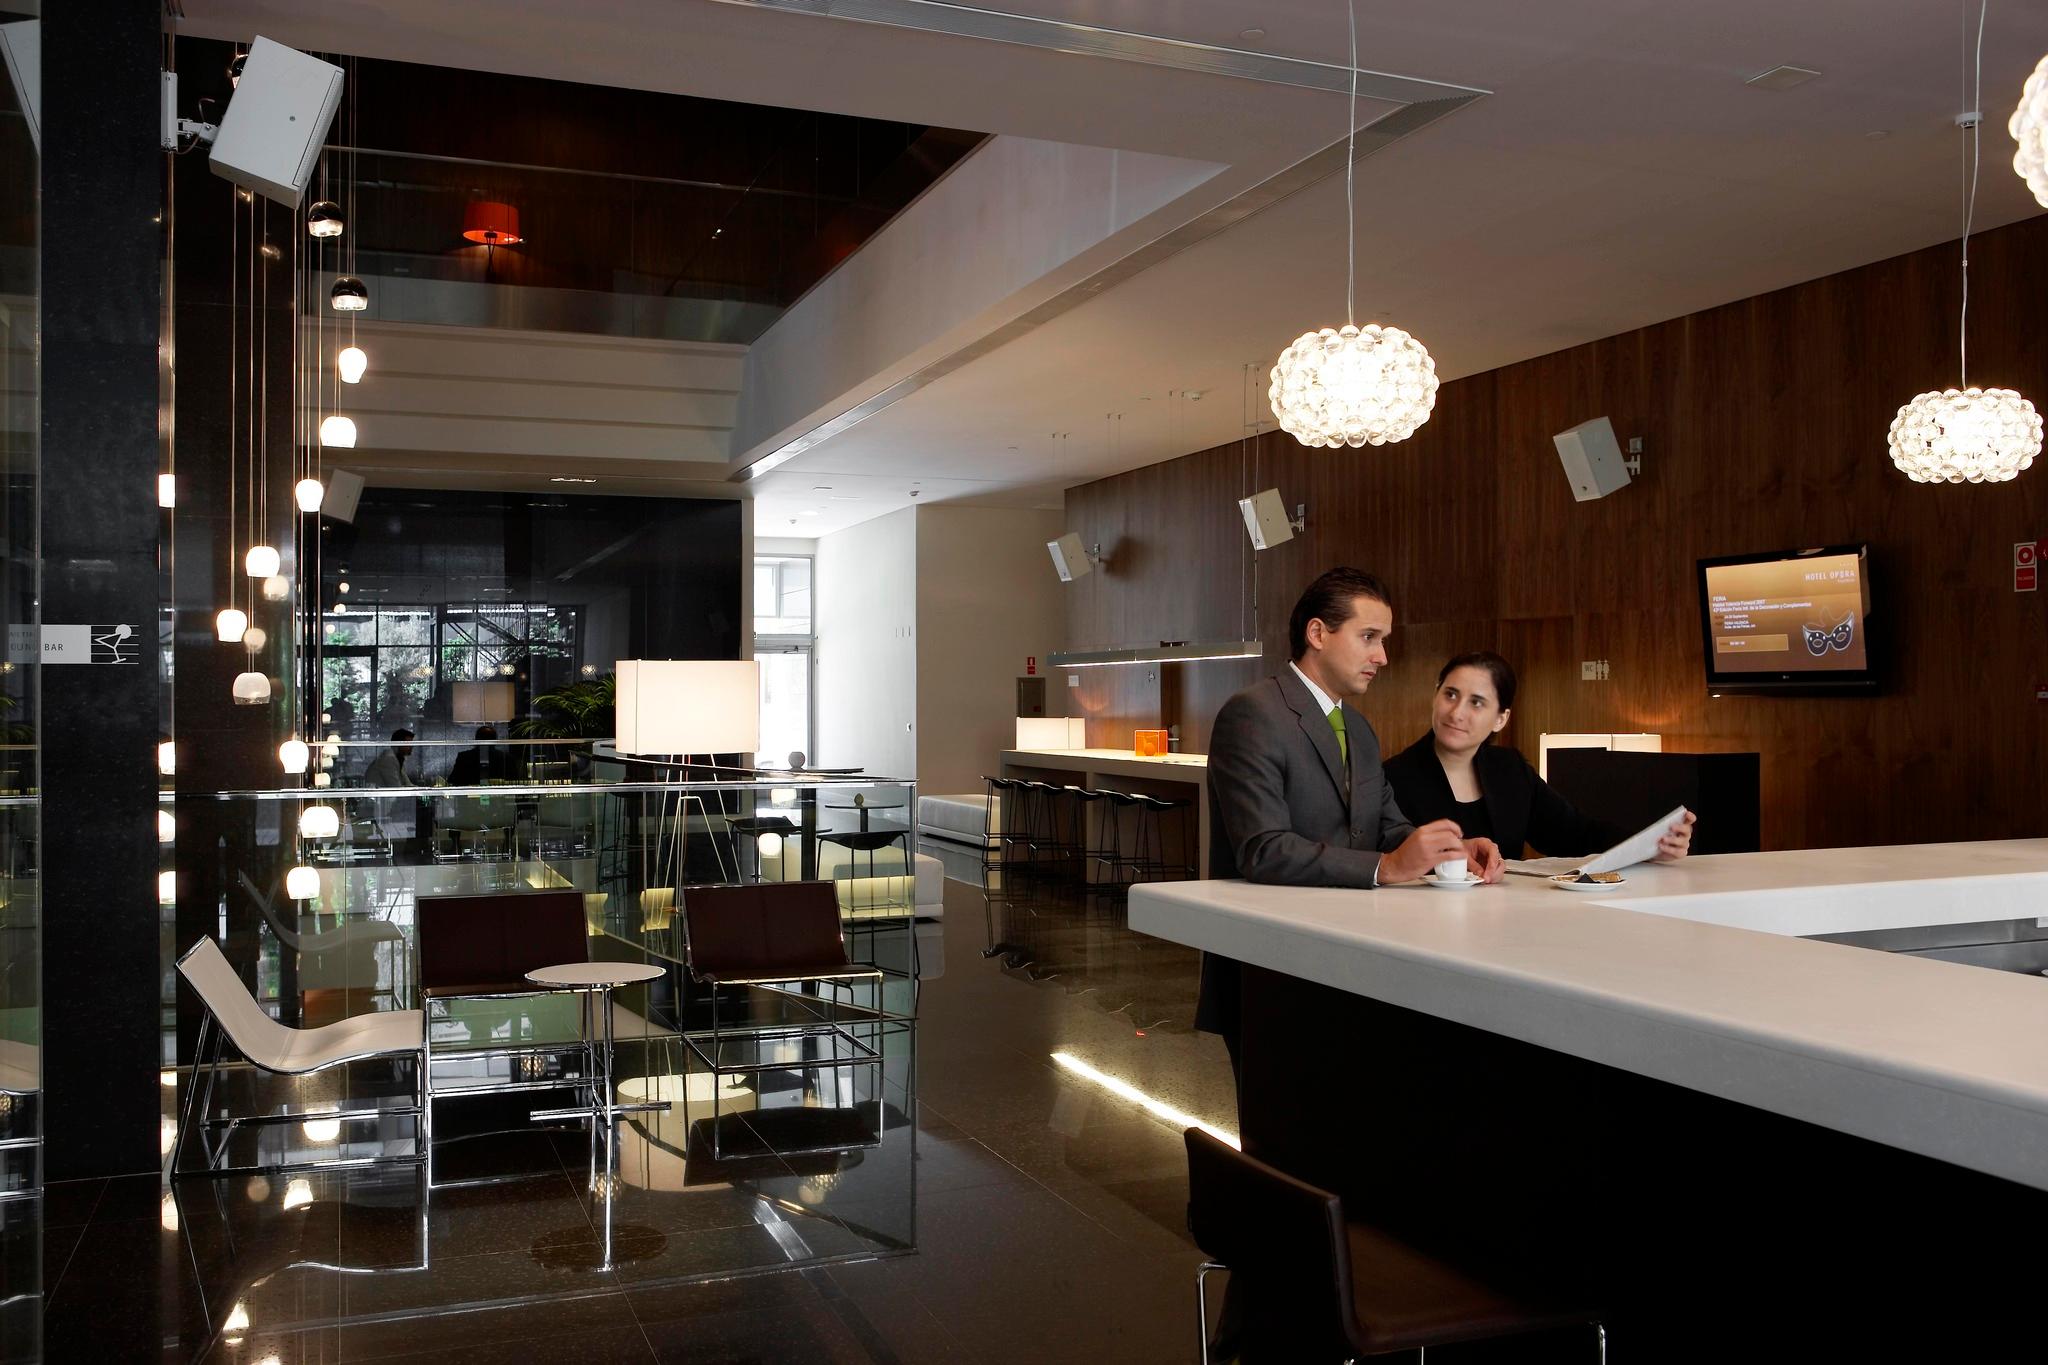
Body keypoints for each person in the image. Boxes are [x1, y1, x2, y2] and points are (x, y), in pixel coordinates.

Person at [1197, 568, 1504, 1074]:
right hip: (1270, 968)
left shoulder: (1357, 727)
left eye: (1383, 640)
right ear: (1318, 634)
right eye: (1369, 637)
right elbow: (1263, 849)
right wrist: (1386, 866)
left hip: (1344, 963)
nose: (1382, 656)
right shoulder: (1252, 714)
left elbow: (1386, 826)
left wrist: (1449, 851)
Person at [1383, 650, 1695, 862]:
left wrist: (1653, 845)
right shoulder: (1391, 778)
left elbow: (1576, 834)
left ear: (1500, 719)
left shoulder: (1509, 769)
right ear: (1436, 695)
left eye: (1476, 702)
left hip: (1506, 920)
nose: (1457, 712)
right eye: (1450, 694)